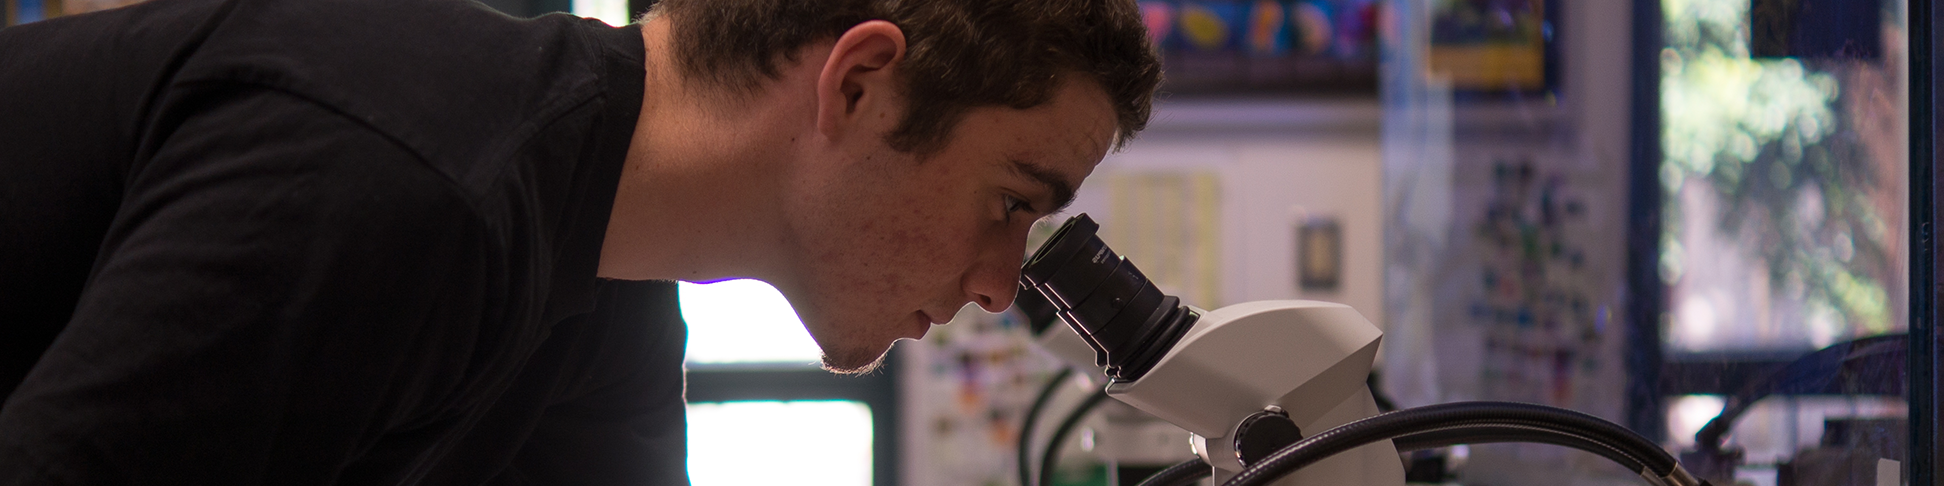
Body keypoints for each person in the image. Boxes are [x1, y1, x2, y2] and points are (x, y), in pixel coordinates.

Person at [0, 0, 1161, 483]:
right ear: (859, 84)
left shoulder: (609, 297)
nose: (1005, 284)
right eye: (1012, 199)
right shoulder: (414, 184)